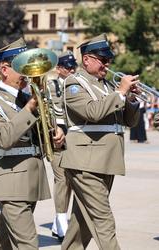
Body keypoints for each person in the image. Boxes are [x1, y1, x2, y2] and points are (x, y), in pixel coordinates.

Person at [0, 39, 65, 249]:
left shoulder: (27, 97)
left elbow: (41, 135)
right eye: (22, 67)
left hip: (31, 179)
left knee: (4, 241)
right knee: (28, 244)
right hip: (11, 181)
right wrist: (30, 108)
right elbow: (2, 138)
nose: (28, 72)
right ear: (5, 69)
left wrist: (56, 133)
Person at [60, 33, 140, 250]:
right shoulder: (74, 83)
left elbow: (128, 122)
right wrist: (121, 92)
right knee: (103, 221)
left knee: (82, 223)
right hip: (85, 161)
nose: (107, 64)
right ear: (87, 60)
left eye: (108, 60)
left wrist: (131, 100)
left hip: (105, 161)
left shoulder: (106, 86)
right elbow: (92, 112)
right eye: (103, 59)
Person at [48, 50, 77, 242]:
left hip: (74, 138)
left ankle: (57, 222)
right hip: (57, 137)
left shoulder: (78, 85)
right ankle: (60, 218)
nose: (72, 70)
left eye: (74, 67)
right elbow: (48, 110)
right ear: (59, 69)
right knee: (61, 180)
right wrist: (55, 129)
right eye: (68, 67)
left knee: (70, 182)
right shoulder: (51, 85)